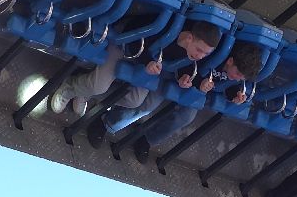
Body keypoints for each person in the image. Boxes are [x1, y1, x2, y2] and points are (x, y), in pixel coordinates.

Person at [94, 41, 266, 162]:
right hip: (175, 72)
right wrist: (194, 80)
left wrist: (235, 95)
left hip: (193, 85)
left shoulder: (233, 76)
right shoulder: (214, 53)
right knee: (148, 104)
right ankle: (107, 123)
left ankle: (147, 139)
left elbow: (226, 85)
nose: (238, 79)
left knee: (187, 116)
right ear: (230, 61)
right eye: (238, 74)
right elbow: (188, 60)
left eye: (241, 78)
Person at [49, 22, 222, 117]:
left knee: (134, 101)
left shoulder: (191, 53)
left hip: (145, 64)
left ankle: (85, 92)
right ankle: (70, 87)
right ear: (190, 38)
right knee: (98, 86)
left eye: (205, 54)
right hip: (125, 47)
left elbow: (188, 68)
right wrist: (147, 61)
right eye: (199, 50)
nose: (200, 56)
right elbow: (132, 34)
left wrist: (192, 81)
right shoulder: (169, 26)